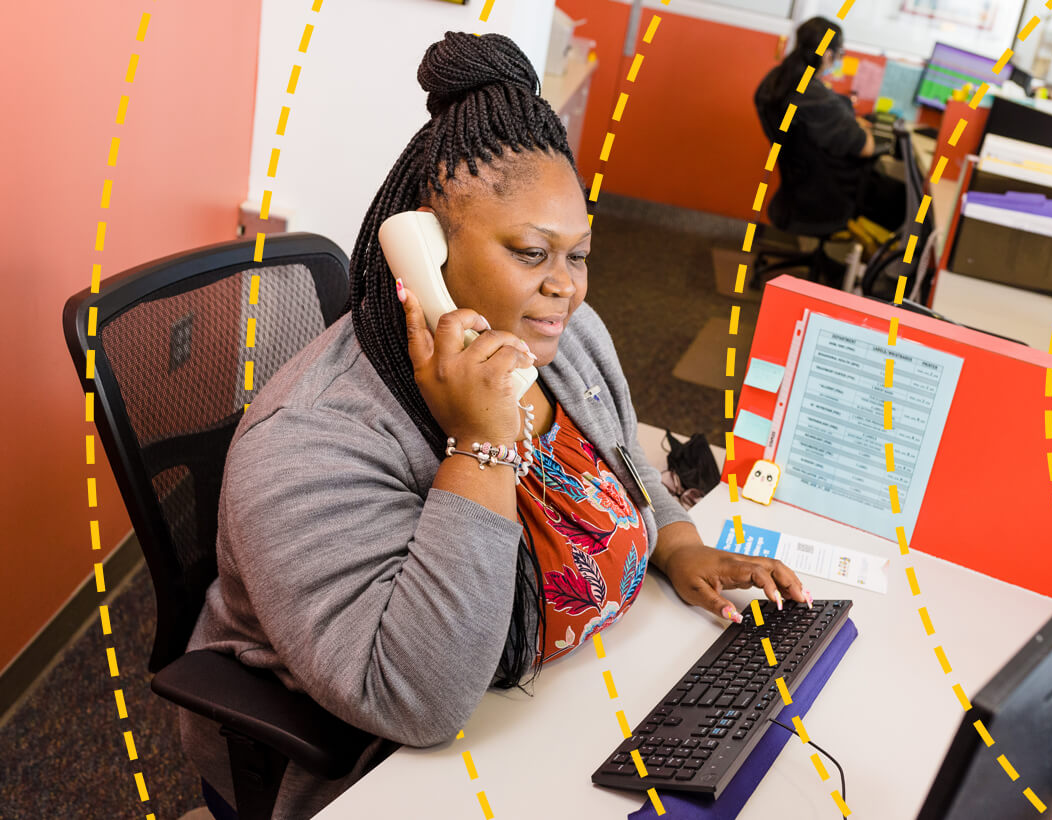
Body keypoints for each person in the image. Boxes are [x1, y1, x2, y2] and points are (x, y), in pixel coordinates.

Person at [180, 31, 813, 819]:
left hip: (558, 703)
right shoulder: (311, 437)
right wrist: (479, 444)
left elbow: (622, 461)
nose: (566, 289)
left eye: (578, 255)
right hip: (379, 768)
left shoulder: (562, 339)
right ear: (423, 249)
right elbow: (418, 700)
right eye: (531, 252)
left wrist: (679, 544)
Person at [754, 17, 905, 239]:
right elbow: (866, 148)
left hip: (801, 186)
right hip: (829, 194)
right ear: (827, 55)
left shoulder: (777, 80)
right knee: (906, 201)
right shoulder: (816, 97)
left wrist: (851, 122)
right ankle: (887, 271)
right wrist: (867, 131)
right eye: (840, 54)